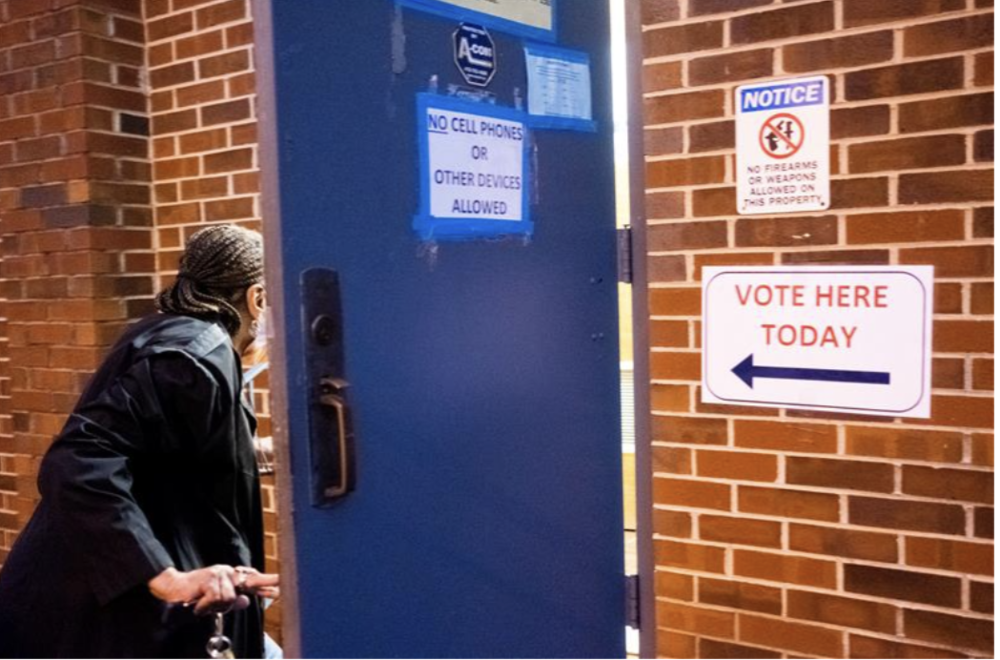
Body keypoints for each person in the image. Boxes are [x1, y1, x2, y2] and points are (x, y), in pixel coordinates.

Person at [0, 225, 279, 658]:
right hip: (93, 615)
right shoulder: (195, 356)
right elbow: (78, 461)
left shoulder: (176, 337)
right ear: (257, 298)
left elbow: (167, 450)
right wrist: (167, 577)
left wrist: (263, 453)